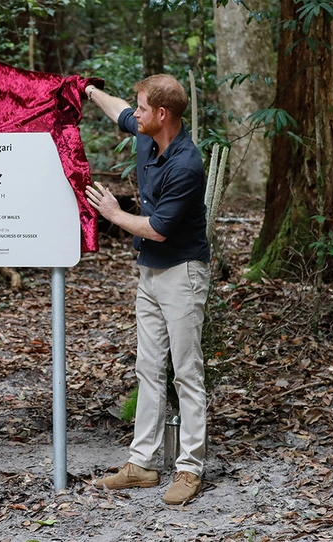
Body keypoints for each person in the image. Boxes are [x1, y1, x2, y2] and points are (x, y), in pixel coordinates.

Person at [83, 74, 211, 505]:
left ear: (162, 114)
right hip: (150, 274)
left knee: (186, 371)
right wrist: (88, 90)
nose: (132, 115)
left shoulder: (186, 164)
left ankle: (190, 469)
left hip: (182, 273)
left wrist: (113, 213)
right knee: (148, 368)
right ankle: (142, 465)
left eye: (141, 108)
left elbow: (156, 230)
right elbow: (118, 109)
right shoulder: (146, 134)